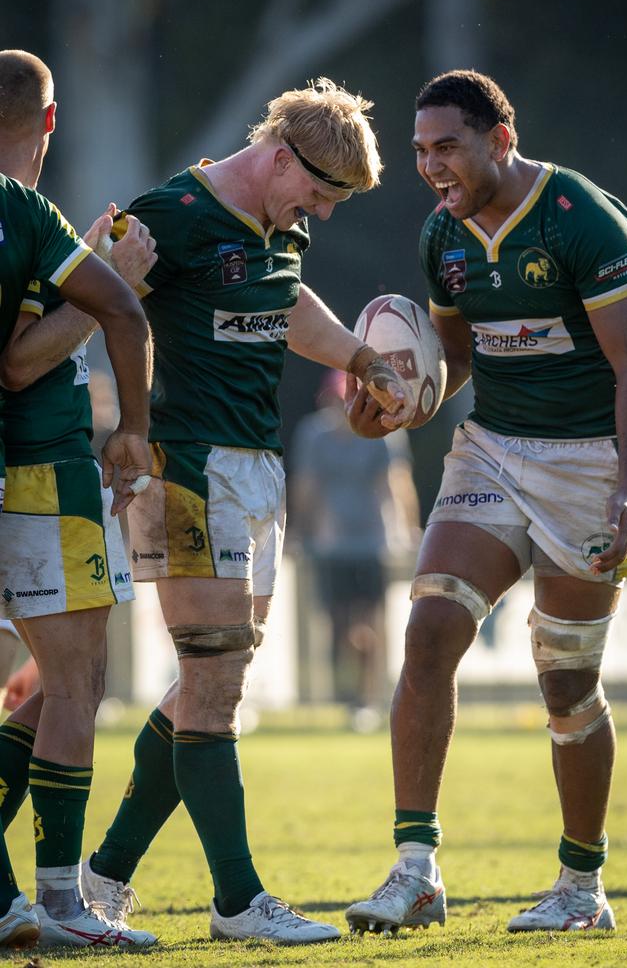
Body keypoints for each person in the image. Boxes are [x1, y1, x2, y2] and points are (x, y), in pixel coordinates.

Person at [80, 78, 415, 945]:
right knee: (216, 676)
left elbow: (287, 304)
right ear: (278, 156)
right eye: (322, 193)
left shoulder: (279, 226)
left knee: (209, 677)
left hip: (256, 468)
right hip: (184, 466)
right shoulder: (172, 215)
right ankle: (238, 901)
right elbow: (104, 303)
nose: (325, 214)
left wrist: (360, 357)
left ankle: (104, 875)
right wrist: (126, 431)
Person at [344, 69, 627, 936]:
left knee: (565, 681)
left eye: (447, 146)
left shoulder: (582, 218)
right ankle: (415, 870)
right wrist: (396, 408)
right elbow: (453, 360)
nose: (432, 166)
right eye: (419, 151)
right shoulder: (440, 236)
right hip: (495, 448)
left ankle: (581, 888)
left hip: (593, 461)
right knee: (430, 628)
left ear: (499, 141)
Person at [0, 48, 156, 949]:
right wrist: (114, 276)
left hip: (30, 473)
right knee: (76, 685)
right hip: (42, 474)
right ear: (50, 121)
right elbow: (22, 362)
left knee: (55, 691)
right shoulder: (24, 210)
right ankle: (61, 899)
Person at [291, 368, 419, 725]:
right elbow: (307, 486)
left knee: (367, 625)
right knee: (339, 626)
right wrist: (300, 530)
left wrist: (407, 528)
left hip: (371, 543)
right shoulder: (314, 435)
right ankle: (351, 696)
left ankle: (368, 698)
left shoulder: (383, 435)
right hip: (331, 546)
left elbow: (395, 483)